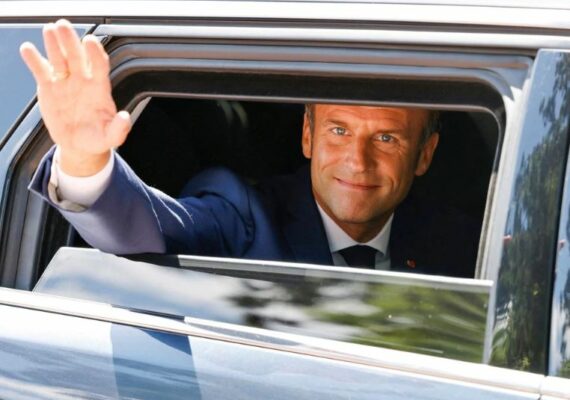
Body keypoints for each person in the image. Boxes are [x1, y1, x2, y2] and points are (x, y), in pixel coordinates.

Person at [21, 20, 479, 276]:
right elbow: (153, 231)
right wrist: (85, 161)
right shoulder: (244, 215)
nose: (358, 161)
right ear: (307, 135)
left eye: (386, 138)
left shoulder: (456, 241)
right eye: (339, 131)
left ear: (425, 154)